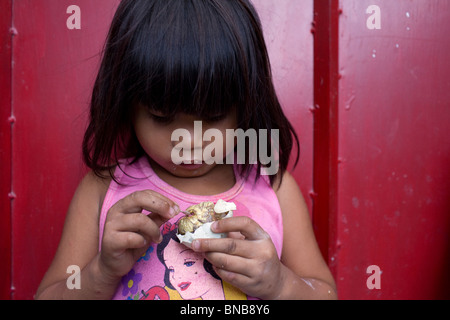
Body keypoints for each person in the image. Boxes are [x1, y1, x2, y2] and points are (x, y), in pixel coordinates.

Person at [36, 0, 337, 300]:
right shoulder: (104, 190)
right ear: (127, 104)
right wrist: (102, 272)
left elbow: (324, 293)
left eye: (214, 116)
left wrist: (281, 284)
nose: (189, 142)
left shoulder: (273, 189)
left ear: (245, 105)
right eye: (163, 118)